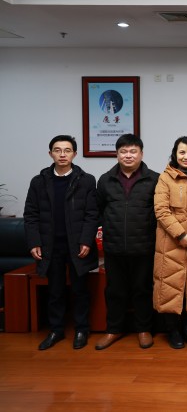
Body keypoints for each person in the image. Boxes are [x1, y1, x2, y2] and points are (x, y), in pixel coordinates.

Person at [23, 135, 99, 350]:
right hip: (50, 246)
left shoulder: (86, 180)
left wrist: (86, 241)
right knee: (55, 290)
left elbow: (92, 214)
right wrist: (34, 242)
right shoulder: (39, 181)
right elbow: (31, 214)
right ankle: (56, 330)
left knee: (80, 289)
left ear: (75, 154)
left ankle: (82, 329)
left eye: (67, 150)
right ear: (51, 154)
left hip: (78, 246)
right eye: (57, 150)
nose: (62, 154)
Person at [95, 134, 159, 350]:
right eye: (123, 151)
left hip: (144, 246)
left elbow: (159, 212)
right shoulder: (105, 180)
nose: (128, 155)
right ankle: (113, 330)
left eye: (133, 151)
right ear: (117, 154)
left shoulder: (154, 179)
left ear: (141, 154)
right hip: (114, 247)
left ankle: (144, 329)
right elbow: (99, 210)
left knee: (143, 289)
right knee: (114, 291)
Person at [153, 136, 187, 349]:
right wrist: (181, 234)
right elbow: (161, 210)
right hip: (170, 243)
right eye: (182, 152)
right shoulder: (165, 178)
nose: (186, 157)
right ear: (175, 155)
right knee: (170, 286)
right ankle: (173, 331)